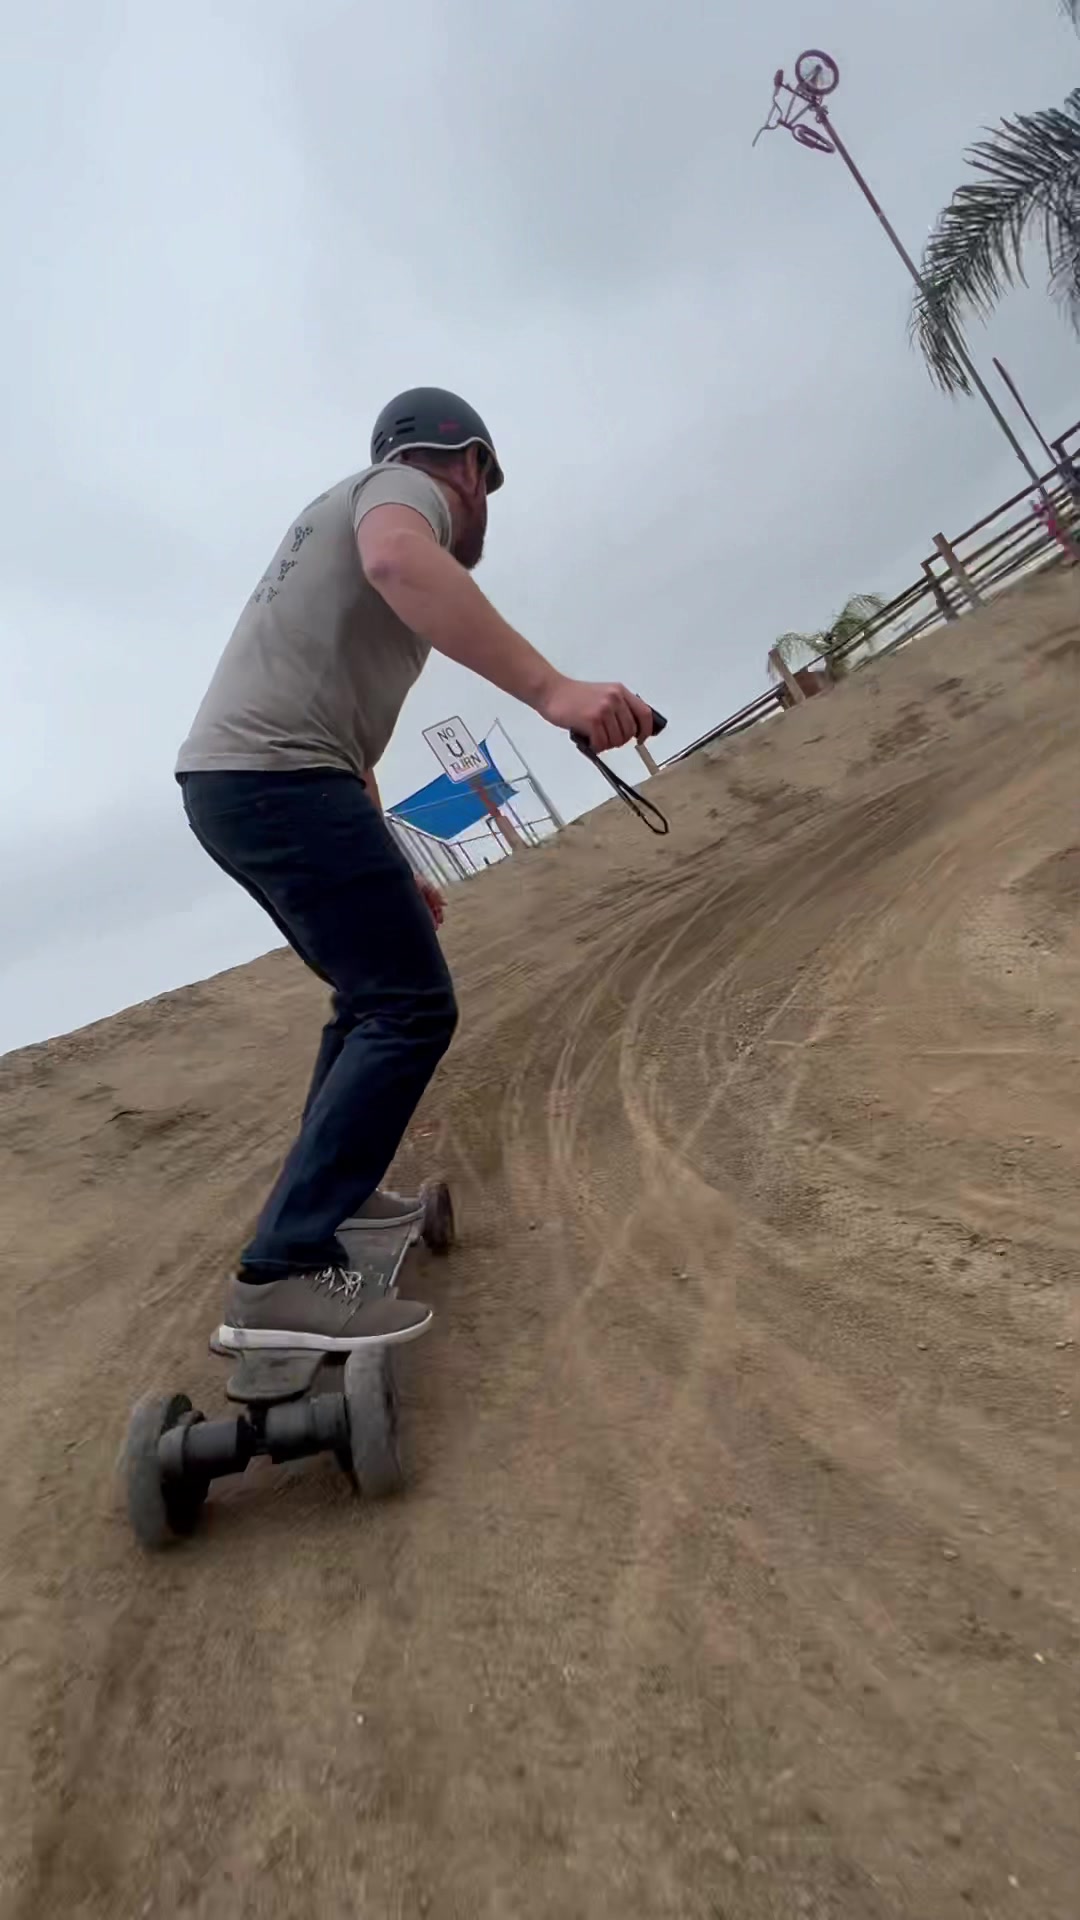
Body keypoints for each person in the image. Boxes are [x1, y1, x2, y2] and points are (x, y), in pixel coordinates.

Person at [176, 387, 655, 1354]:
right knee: (410, 1007)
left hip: (247, 782)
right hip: (278, 780)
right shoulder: (404, 494)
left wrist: (389, 855)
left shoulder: (347, 523)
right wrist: (554, 690)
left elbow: (353, 746)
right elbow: (398, 558)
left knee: (369, 1000)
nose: (480, 514)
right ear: (470, 465)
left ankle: (333, 1206)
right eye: (487, 487)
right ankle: (281, 1275)